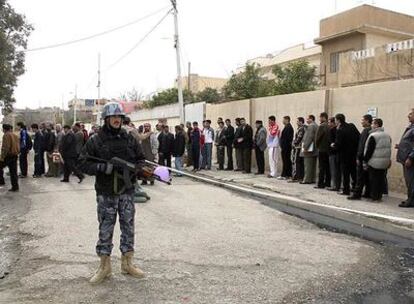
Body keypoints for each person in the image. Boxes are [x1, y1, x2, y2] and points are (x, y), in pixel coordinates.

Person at [79, 102, 146, 284]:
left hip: (126, 191)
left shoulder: (129, 138)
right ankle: (104, 266)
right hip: (106, 193)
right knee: (105, 228)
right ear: (106, 119)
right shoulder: (96, 140)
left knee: (128, 226)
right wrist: (103, 167)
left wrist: (137, 169)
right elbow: (83, 163)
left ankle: (127, 263)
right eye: (113, 117)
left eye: (119, 117)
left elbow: (141, 159)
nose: (117, 120)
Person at [363, 118, 392, 201]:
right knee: (380, 179)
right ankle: (379, 196)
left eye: (372, 124)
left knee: (373, 180)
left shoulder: (373, 136)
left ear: (376, 125)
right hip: (384, 162)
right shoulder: (387, 135)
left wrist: (365, 160)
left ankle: (374, 196)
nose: (371, 125)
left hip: (374, 161)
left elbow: (369, 150)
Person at [333, 114, 360, 195]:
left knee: (346, 174)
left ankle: (346, 190)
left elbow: (338, 144)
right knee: (354, 172)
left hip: (344, 155)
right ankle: (356, 189)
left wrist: (333, 145)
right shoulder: (352, 126)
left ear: (338, 120)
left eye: (335, 120)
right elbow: (358, 137)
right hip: (353, 154)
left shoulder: (340, 130)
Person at [348, 114, 373, 200]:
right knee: (366, 177)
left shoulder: (366, 131)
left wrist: (359, 157)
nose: (361, 122)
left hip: (362, 157)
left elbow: (362, 145)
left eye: (363, 120)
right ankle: (367, 192)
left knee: (360, 177)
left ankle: (357, 193)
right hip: (367, 157)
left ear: (367, 121)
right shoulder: (371, 130)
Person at [396, 108, 414, 208]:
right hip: (405, 157)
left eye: (411, 114)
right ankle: (410, 198)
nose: (408, 116)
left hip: (410, 159)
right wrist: (401, 146)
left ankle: (411, 201)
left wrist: (411, 157)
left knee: (411, 181)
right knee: (409, 181)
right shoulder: (411, 126)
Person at [0, 124, 20, 191]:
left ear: (4, 129)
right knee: (13, 172)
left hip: (8, 156)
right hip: (15, 155)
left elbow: (5, 147)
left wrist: (2, 157)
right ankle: (15, 187)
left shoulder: (6, 135)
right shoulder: (15, 135)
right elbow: (18, 146)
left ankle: (1, 181)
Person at [301, 115, 318, 184]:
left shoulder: (311, 126)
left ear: (311, 119)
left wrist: (305, 147)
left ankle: (307, 179)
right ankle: (312, 178)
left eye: (308, 119)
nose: (306, 120)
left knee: (308, 165)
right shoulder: (316, 125)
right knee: (313, 165)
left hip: (309, 149)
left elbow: (309, 137)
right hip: (314, 149)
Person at [315, 112, 330, 189]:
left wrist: (317, 145)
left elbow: (317, 138)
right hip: (327, 149)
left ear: (324, 117)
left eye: (320, 117)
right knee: (327, 167)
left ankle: (320, 183)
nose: (319, 119)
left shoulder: (322, 126)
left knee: (321, 167)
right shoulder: (329, 126)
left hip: (322, 149)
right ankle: (327, 182)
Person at [290, 117, 305, 183]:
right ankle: (299, 177)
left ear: (301, 122)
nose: (297, 122)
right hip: (298, 147)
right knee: (299, 163)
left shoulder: (301, 129)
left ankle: (296, 177)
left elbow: (299, 138)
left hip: (298, 147)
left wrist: (294, 143)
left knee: (296, 163)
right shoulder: (300, 128)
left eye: (298, 121)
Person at [327, 118, 339, 191]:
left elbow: (331, 142)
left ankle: (334, 185)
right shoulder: (337, 130)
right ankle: (335, 185)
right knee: (335, 170)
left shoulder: (332, 130)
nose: (328, 124)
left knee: (333, 170)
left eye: (329, 122)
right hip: (335, 153)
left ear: (333, 123)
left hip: (332, 153)